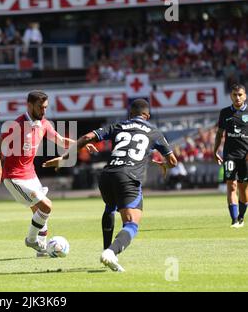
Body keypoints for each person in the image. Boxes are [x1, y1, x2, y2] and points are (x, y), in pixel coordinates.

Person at [43, 99, 177, 272]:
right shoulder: (155, 132)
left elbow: (87, 137)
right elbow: (173, 161)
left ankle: (107, 249)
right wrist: (164, 165)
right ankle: (110, 252)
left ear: (130, 114)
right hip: (128, 177)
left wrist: (65, 158)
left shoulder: (118, 126)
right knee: (131, 224)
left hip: (107, 175)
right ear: (147, 116)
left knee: (110, 207)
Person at [0, 90, 96, 257]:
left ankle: (42, 249)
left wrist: (81, 143)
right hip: (14, 177)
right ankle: (31, 240)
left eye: (45, 107)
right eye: (40, 107)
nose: (44, 111)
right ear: (29, 105)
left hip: (30, 175)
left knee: (39, 213)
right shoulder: (17, 125)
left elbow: (60, 140)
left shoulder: (44, 124)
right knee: (46, 206)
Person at [214, 83, 248, 228]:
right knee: (231, 185)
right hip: (230, 155)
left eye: (240, 94)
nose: (237, 97)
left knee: (243, 188)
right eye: (235, 95)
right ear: (231, 96)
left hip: (246, 156)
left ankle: (241, 216)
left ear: (245, 95)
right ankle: (234, 219)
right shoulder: (225, 112)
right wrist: (215, 150)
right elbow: (219, 133)